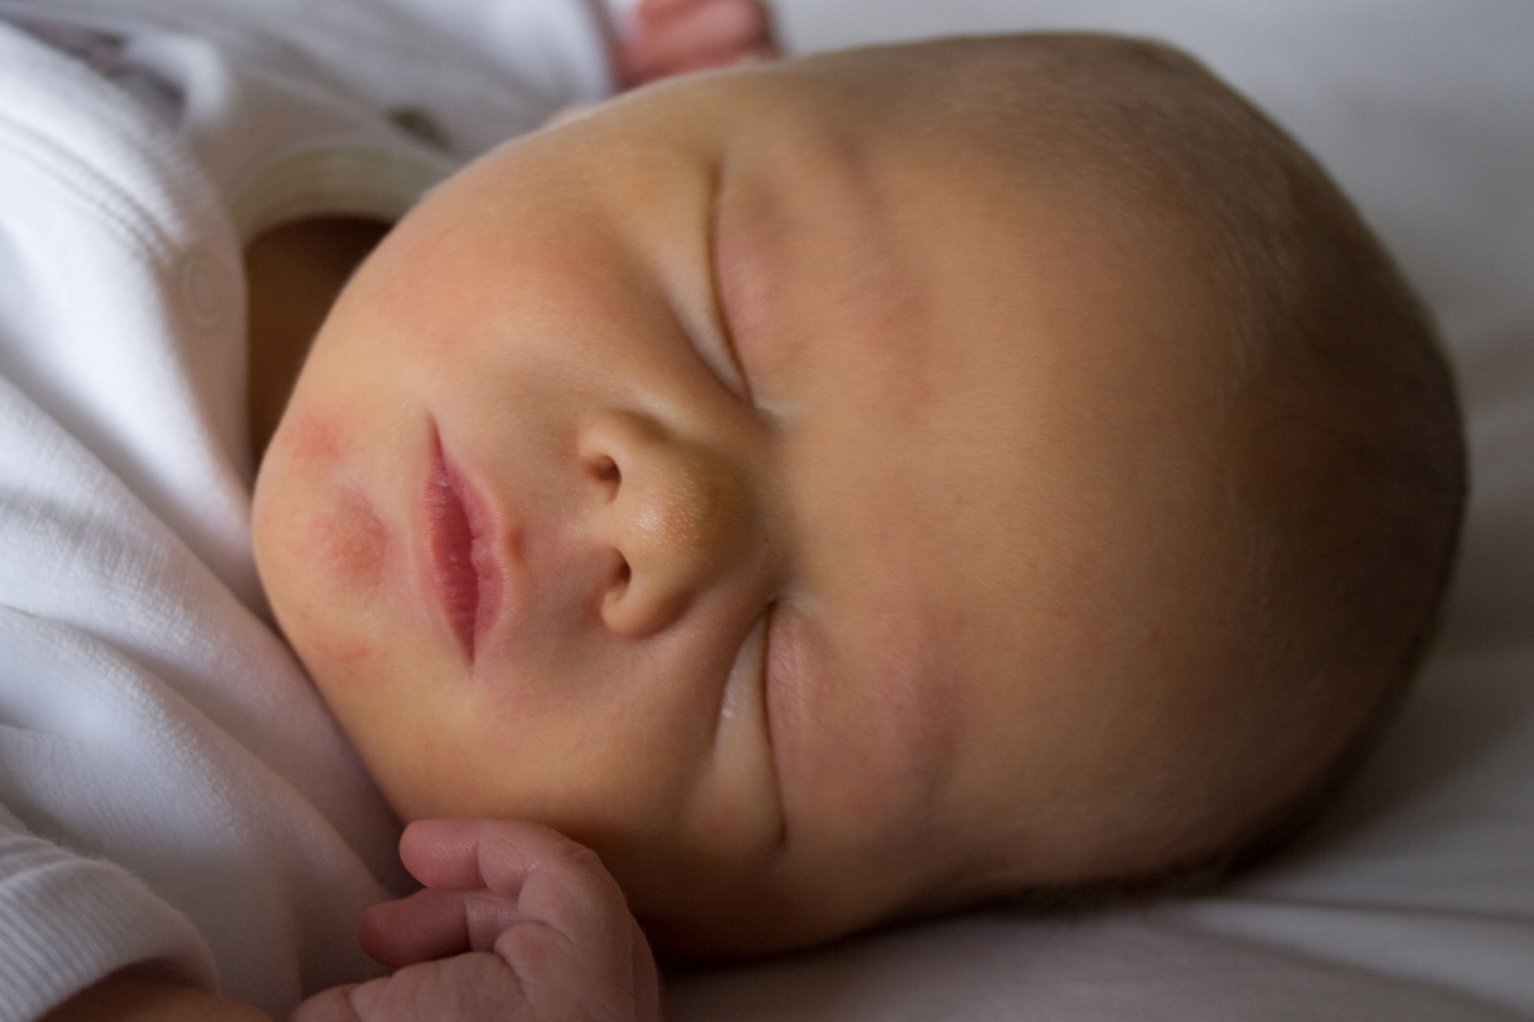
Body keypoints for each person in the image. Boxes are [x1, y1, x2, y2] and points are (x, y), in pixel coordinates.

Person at [0, 3, 1464, 1022]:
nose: (670, 519)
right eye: (734, 321)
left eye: (775, 691)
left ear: (745, 932)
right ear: (638, 119)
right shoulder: (463, 123)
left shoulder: (205, 823)